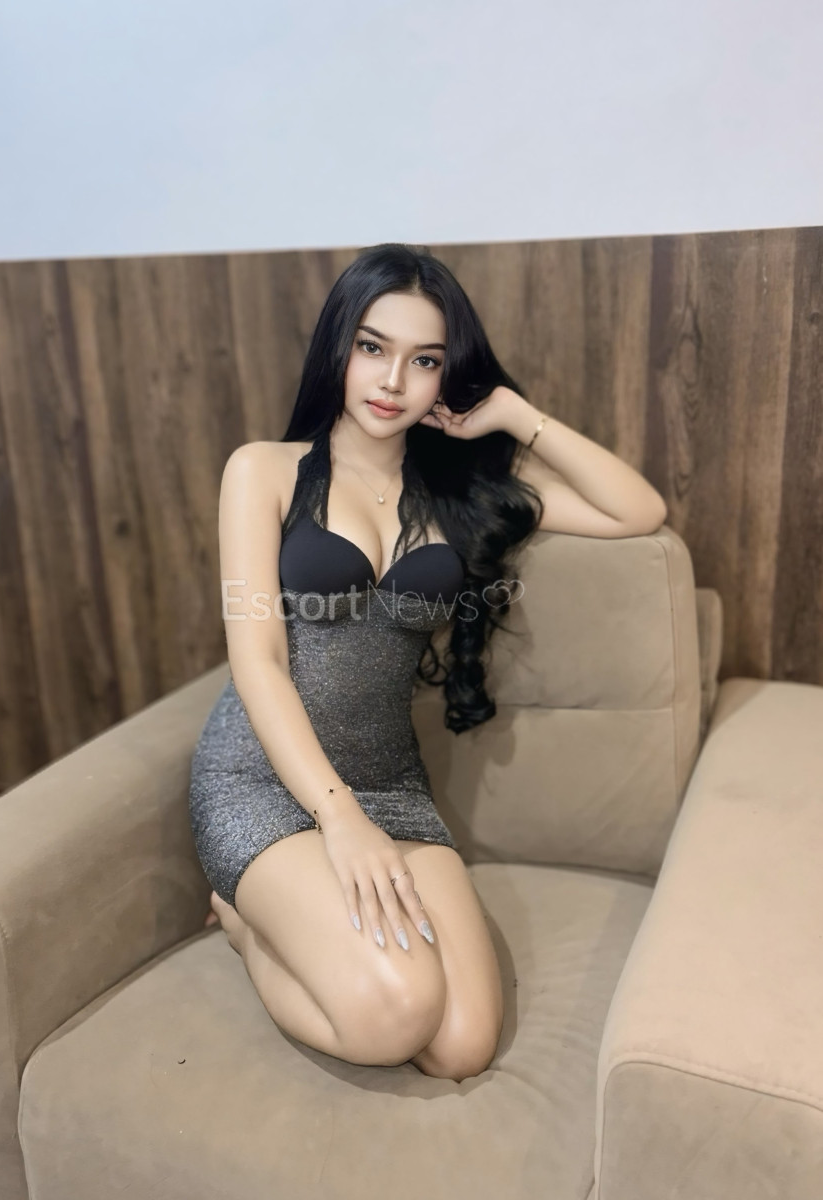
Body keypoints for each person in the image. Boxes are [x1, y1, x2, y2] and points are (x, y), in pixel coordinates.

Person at [189, 242, 667, 1082]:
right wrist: (340, 821)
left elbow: (638, 509)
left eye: (424, 360)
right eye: (372, 347)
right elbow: (258, 660)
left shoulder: (460, 493)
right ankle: (241, 921)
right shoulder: (263, 470)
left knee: (461, 1046)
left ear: (448, 375)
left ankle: (275, 903)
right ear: (338, 346)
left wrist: (515, 415)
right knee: (395, 1016)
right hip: (263, 780)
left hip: (390, 786)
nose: (392, 380)